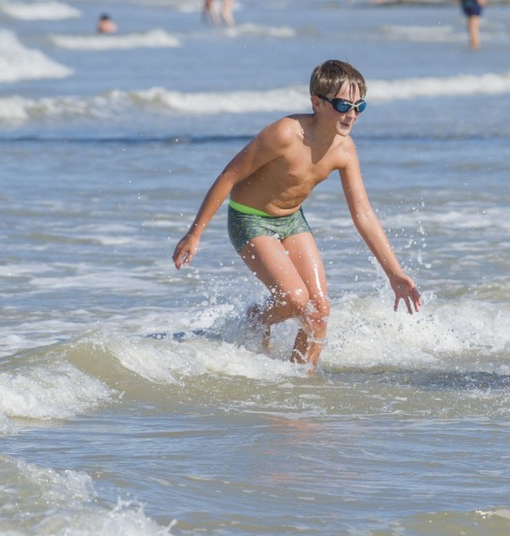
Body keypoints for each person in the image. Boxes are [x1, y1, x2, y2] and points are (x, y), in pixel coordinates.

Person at [172, 60, 422, 372]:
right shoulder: (285, 134)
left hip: (292, 220)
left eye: (360, 106)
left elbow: (363, 214)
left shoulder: (345, 150)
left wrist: (394, 273)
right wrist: (195, 233)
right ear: (317, 103)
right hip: (249, 218)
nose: (352, 115)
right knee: (293, 298)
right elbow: (228, 176)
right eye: (344, 104)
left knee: (318, 310)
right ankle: (255, 319)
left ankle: (301, 384)